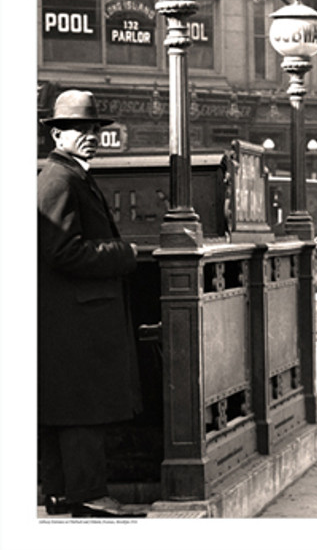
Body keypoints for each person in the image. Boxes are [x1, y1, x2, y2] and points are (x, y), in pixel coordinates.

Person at [38, 89, 148, 518]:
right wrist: (124, 254)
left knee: (65, 408)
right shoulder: (60, 180)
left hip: (71, 316)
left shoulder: (67, 176)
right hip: (75, 319)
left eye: (92, 129)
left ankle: (62, 493)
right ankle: (87, 494)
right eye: (76, 129)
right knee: (81, 408)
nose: (87, 136)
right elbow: (64, 252)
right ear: (56, 134)